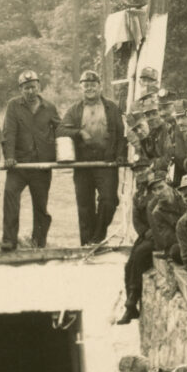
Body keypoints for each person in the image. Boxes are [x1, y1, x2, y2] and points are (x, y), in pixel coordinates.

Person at [0, 68, 62, 249]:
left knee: (40, 205)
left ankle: (39, 241)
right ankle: (9, 240)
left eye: (33, 87)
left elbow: (61, 129)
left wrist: (66, 150)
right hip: (19, 165)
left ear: (39, 86)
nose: (30, 91)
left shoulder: (49, 107)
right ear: (20, 89)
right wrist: (9, 157)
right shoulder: (13, 106)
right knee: (11, 197)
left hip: (41, 166)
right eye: (26, 88)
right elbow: (8, 133)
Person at [67, 69, 126, 245]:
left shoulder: (111, 107)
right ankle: (87, 244)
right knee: (84, 205)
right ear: (81, 88)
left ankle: (98, 236)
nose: (89, 89)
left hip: (106, 161)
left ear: (100, 86)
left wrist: (120, 155)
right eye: (86, 86)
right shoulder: (74, 110)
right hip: (83, 162)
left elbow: (122, 133)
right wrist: (79, 132)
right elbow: (61, 129)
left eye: (93, 85)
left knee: (109, 200)